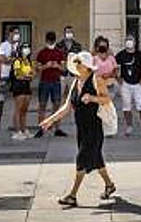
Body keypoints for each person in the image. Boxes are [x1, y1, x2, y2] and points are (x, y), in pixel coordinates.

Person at [41, 50, 117, 206]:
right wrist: (50, 120)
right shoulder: (76, 82)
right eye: (75, 63)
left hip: (94, 128)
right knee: (96, 159)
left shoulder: (96, 79)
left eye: (78, 63)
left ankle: (72, 195)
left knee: (81, 159)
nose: (76, 66)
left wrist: (92, 98)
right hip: (81, 128)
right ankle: (109, 185)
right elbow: (67, 107)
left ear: (86, 66)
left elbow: (107, 98)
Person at [116, 36, 141, 136]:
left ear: (135, 42)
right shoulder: (121, 55)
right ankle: (129, 126)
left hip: (137, 84)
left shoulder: (140, 55)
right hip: (126, 84)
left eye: (131, 40)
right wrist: (119, 80)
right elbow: (116, 68)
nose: (129, 42)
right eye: (127, 40)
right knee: (126, 106)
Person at [35, 31, 69, 138]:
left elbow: (64, 69)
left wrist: (57, 66)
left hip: (56, 81)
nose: (51, 42)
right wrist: (46, 66)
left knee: (57, 105)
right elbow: (38, 68)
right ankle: (41, 127)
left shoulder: (59, 53)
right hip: (45, 81)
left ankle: (57, 127)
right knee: (42, 105)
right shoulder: (41, 53)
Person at [0, 27, 21, 131]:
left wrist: (11, 60)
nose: (17, 35)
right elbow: (2, 59)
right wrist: (12, 60)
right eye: (15, 33)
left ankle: (16, 123)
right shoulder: (4, 45)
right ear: (10, 33)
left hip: (17, 76)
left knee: (18, 99)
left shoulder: (19, 46)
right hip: (5, 75)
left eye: (18, 33)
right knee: (1, 99)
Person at [10, 42, 35, 139]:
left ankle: (24, 129)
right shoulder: (17, 61)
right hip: (18, 86)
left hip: (27, 86)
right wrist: (27, 76)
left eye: (28, 47)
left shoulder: (28, 61)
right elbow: (18, 75)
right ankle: (17, 131)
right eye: (24, 48)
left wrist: (28, 76)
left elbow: (32, 73)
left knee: (24, 109)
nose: (26, 49)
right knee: (18, 109)